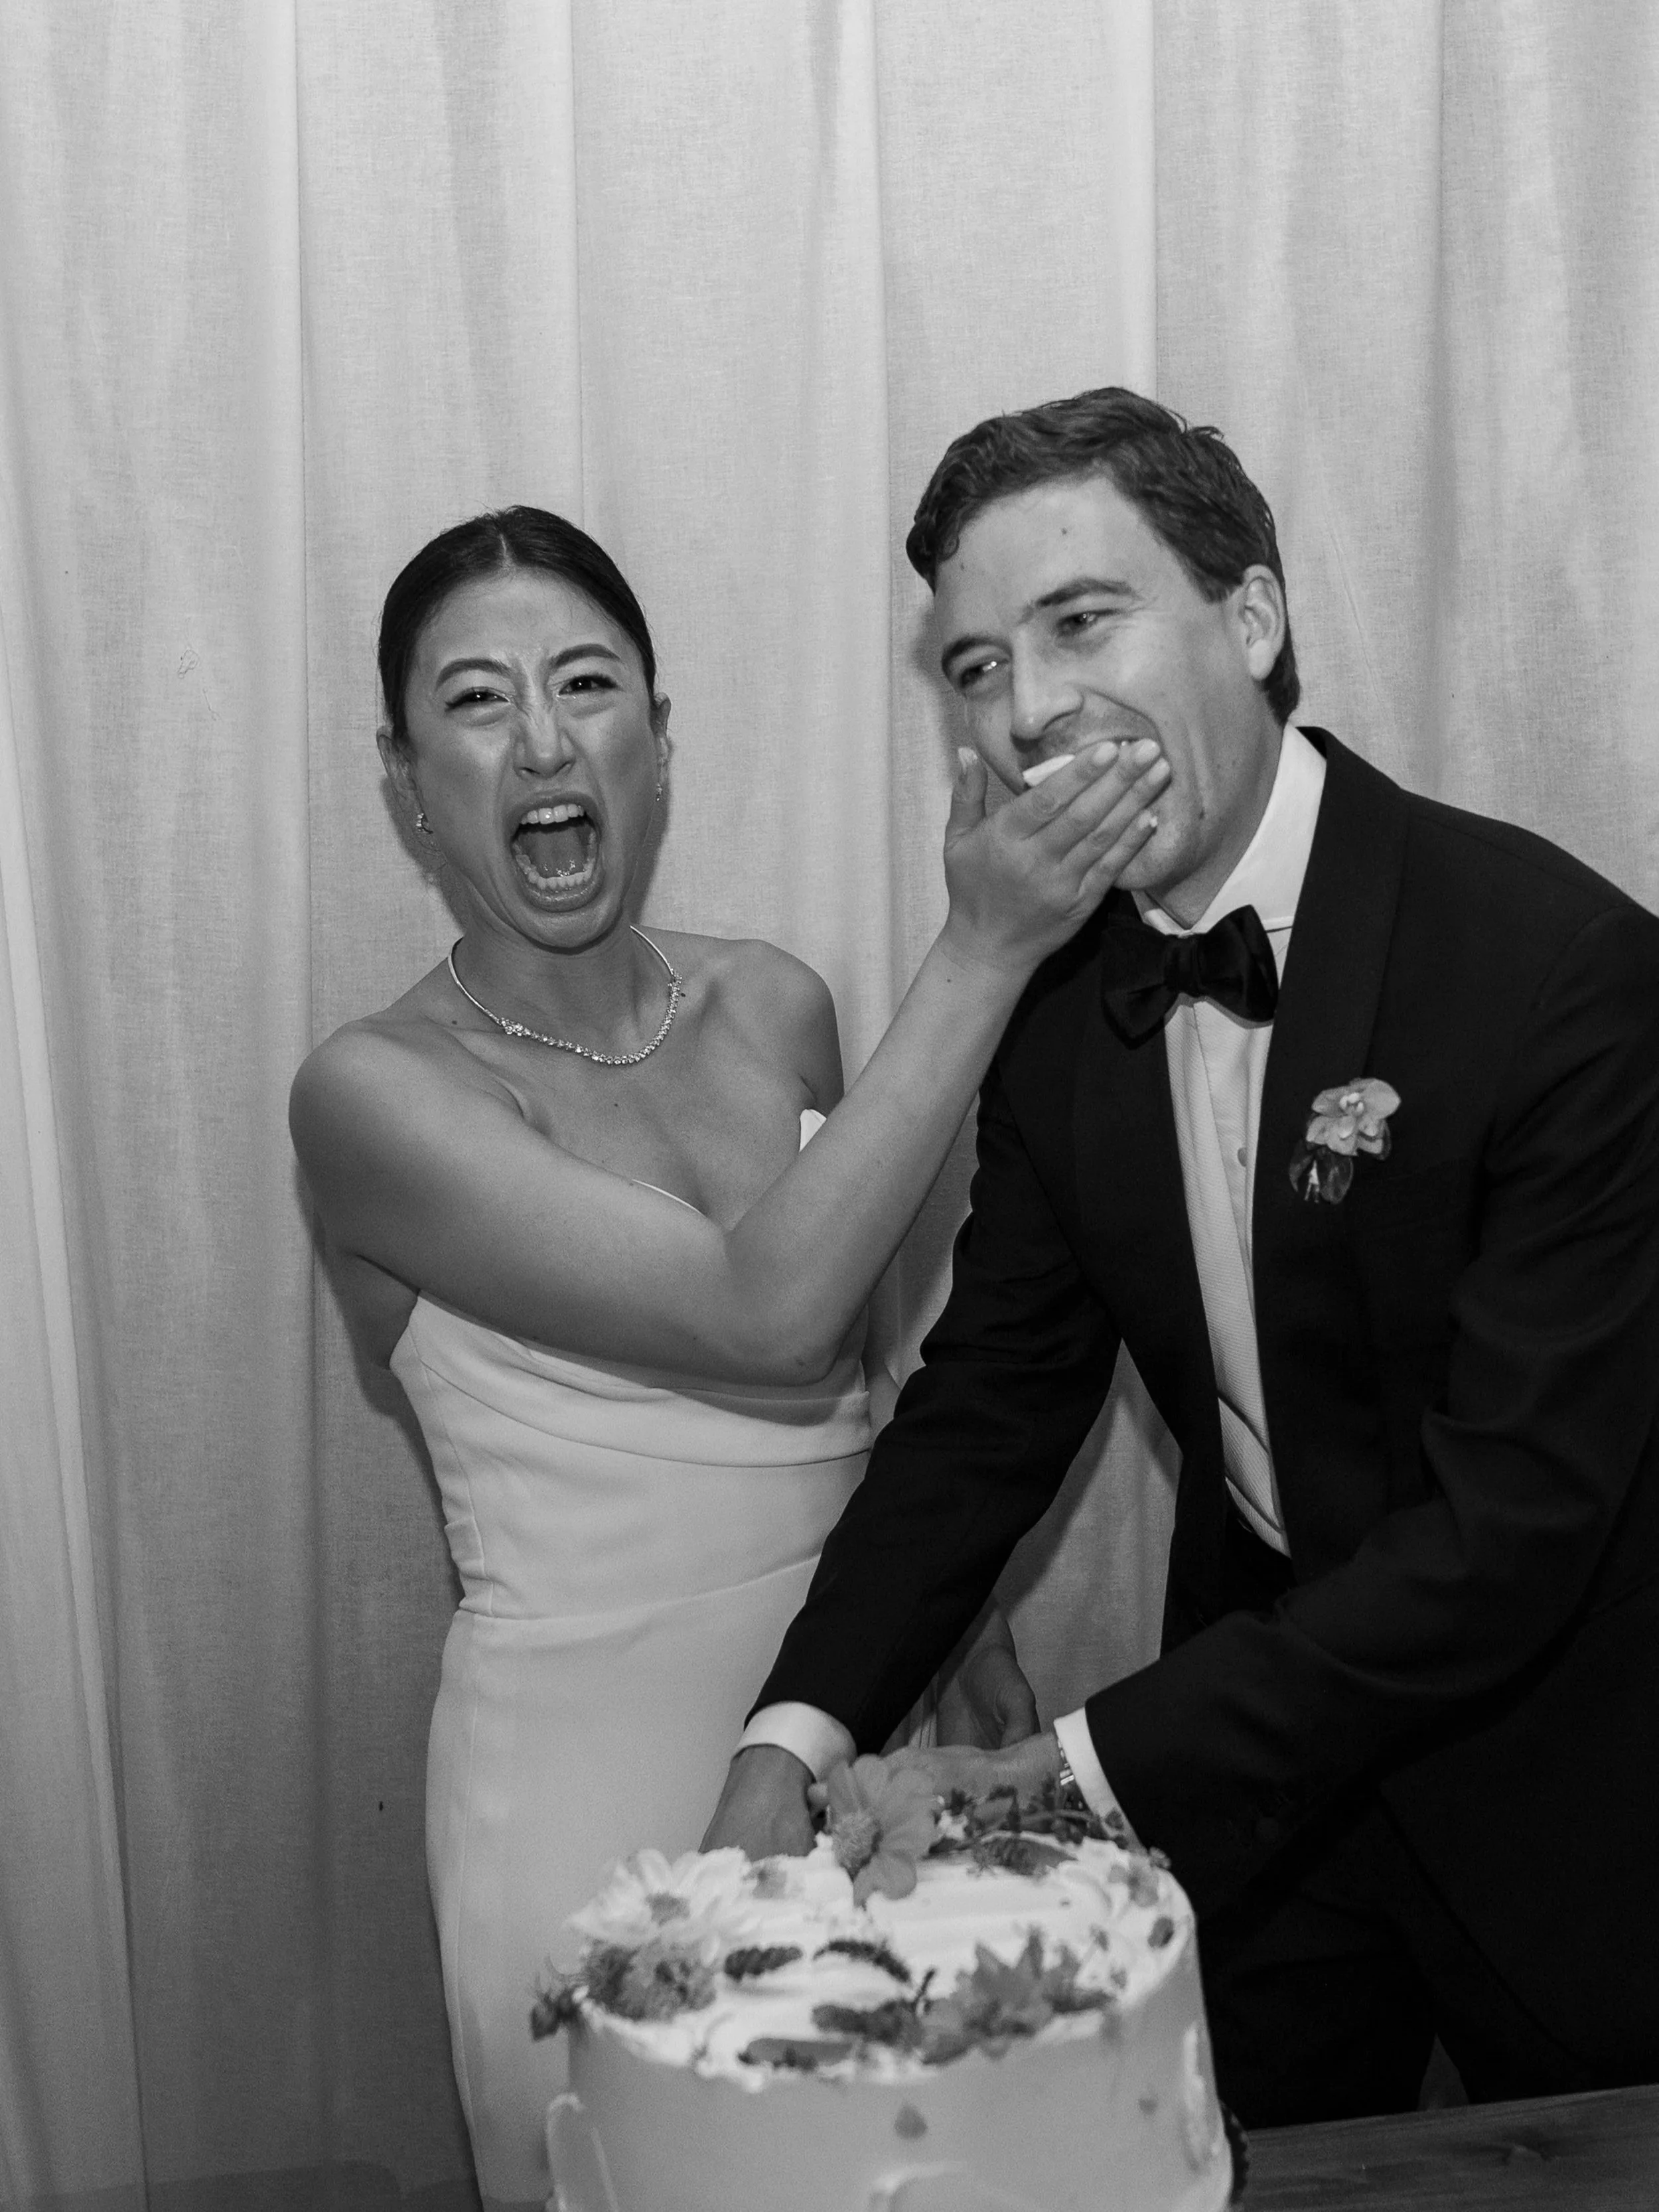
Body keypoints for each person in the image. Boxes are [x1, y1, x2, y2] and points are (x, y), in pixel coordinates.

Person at [706, 388, 1659, 2126]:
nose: (1025, 708)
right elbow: (989, 1399)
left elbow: (1507, 1534)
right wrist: (797, 1731)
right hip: (1260, 1804)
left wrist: (1065, 1771)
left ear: (1253, 616)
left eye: (1079, 621)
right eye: (976, 666)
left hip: (1563, 1772)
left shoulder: (1554, 970)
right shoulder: (1054, 992)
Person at [287, 505, 1166, 2208]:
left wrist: (964, 1628)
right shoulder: (372, 1093)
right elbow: (765, 1312)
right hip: (583, 1779)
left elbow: (863, 1373)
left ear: (657, 734)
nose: (543, 741)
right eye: (474, 701)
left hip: (855, 1715)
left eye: (584, 682)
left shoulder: (775, 1004)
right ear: (405, 781)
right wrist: (985, 946)